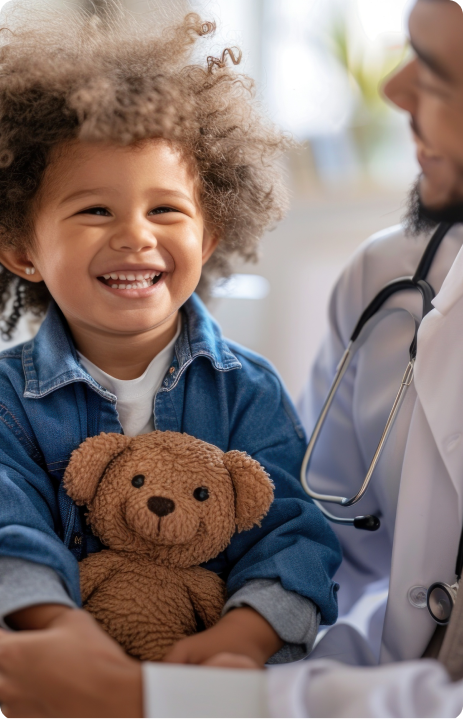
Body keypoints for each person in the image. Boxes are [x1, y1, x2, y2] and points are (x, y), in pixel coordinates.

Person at [2, 0, 463, 718]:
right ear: (22, 250)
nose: (134, 236)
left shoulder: (246, 389)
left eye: (166, 211)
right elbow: (12, 529)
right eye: (94, 210)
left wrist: (242, 643)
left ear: (211, 233)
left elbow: (294, 529)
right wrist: (58, 634)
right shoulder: (9, 399)